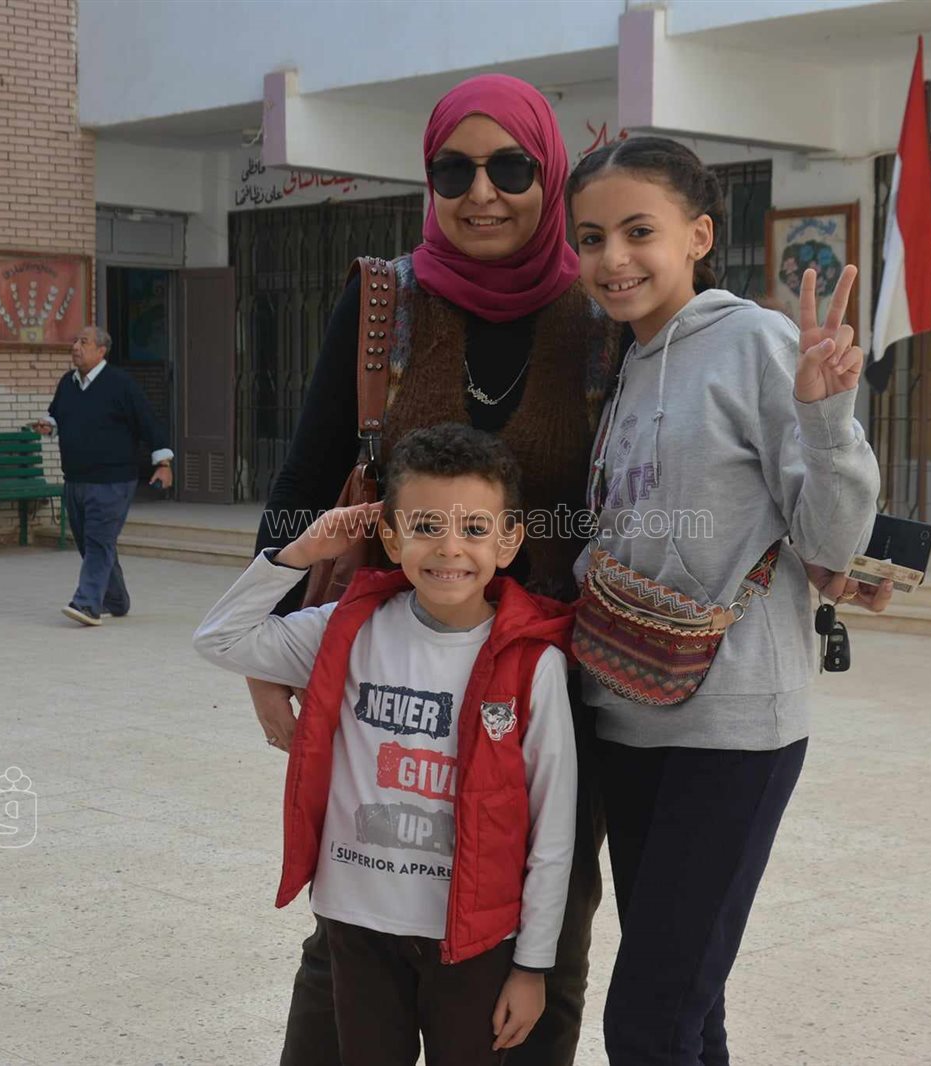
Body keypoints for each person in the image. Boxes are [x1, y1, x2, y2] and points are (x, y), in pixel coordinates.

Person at [248, 74, 625, 1065]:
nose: (481, 192)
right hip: (394, 656)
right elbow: (306, 473)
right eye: (452, 171)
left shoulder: (598, 314)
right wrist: (266, 647)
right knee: (357, 915)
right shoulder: (388, 299)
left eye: (511, 168)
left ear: (550, 174)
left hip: (549, 672)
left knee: (548, 917)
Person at [566, 136, 883, 1063]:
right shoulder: (628, 358)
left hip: (734, 725)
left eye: (639, 231)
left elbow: (829, 543)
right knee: (687, 1007)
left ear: (698, 235)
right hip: (627, 709)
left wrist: (827, 418)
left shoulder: (755, 342)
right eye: (592, 238)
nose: (613, 258)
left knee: (647, 1020)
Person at [195, 425, 578, 1065]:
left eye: (475, 529)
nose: (449, 548)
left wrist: (533, 966)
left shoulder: (531, 663)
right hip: (358, 924)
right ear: (392, 537)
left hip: (473, 939)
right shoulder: (349, 627)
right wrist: (302, 552)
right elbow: (219, 639)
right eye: (425, 526)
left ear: (509, 541)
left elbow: (553, 827)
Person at [33, 325, 172, 625]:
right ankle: (116, 599)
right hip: (75, 480)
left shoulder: (121, 384)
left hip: (112, 482)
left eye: (83, 342)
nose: (75, 347)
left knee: (98, 540)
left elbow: (148, 422)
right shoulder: (68, 383)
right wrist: (49, 424)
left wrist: (163, 463)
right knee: (90, 543)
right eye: (74, 341)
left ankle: (87, 604)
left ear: (101, 350)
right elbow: (57, 414)